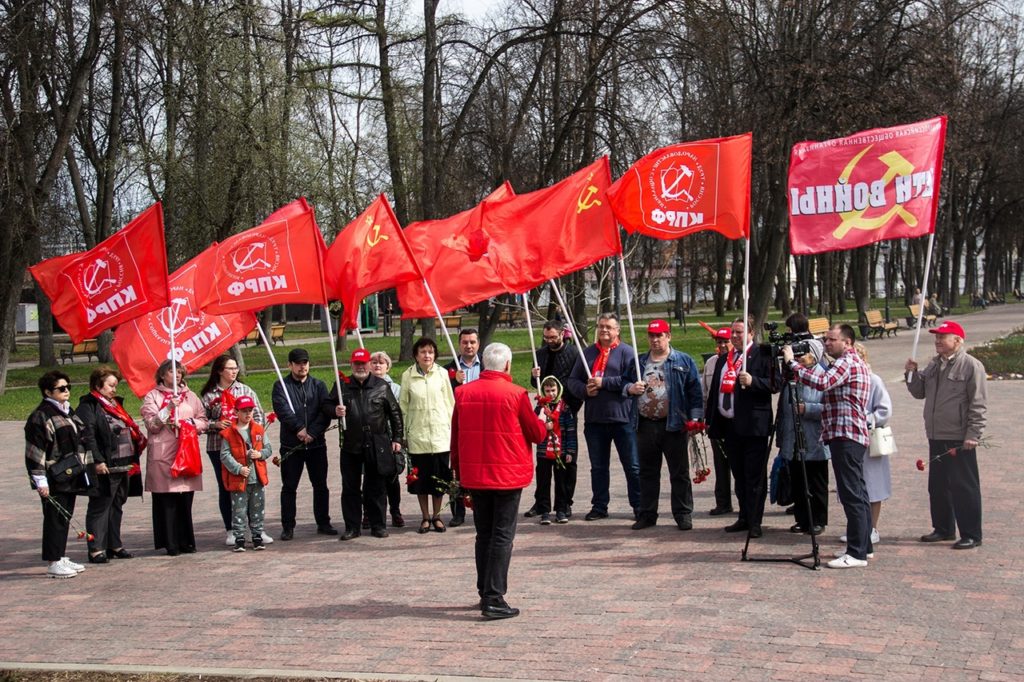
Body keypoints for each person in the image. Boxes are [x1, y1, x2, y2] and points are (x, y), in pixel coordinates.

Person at [450, 342, 548, 619]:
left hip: (476, 474)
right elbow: (536, 434)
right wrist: (542, 419)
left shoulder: (463, 392)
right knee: (502, 535)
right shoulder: (516, 394)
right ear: (506, 365)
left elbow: (455, 435)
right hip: (506, 475)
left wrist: (457, 469)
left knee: (485, 534)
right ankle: (493, 596)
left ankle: (485, 591)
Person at [783, 324, 872, 569]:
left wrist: (793, 364)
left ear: (848, 342)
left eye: (833, 339)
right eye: (826, 339)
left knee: (851, 494)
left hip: (847, 435)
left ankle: (857, 553)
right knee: (858, 493)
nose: (827, 343)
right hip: (846, 435)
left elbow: (821, 382)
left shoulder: (847, 362)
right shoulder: (847, 362)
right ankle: (864, 545)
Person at [905, 320, 987, 549]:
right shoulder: (934, 364)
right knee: (938, 485)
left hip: (959, 437)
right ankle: (943, 528)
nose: (938, 341)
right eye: (937, 337)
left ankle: (971, 533)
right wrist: (911, 374)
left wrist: (974, 433)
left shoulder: (971, 366)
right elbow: (919, 392)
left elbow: (978, 403)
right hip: (936, 433)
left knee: (964, 486)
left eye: (943, 336)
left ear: (958, 340)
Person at [626, 319, 703, 531]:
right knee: (647, 472)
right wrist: (631, 388)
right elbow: (623, 384)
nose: (655, 339)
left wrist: (695, 419)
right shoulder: (638, 362)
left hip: (674, 425)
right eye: (651, 335)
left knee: (679, 472)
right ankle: (647, 514)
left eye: (659, 335)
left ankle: (683, 513)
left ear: (668, 336)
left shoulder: (683, 361)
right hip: (646, 424)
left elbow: (695, 391)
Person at [705, 317, 778, 538]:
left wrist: (754, 381)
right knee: (738, 474)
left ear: (751, 333)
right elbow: (714, 391)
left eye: (739, 332)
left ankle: (755, 521)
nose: (735, 336)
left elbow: (776, 383)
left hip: (753, 426)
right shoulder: (723, 359)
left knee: (754, 476)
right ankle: (744, 516)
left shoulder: (761, 354)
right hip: (729, 426)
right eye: (733, 333)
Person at [567, 312, 641, 521]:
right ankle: (599, 505)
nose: (604, 330)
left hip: (623, 419)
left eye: (609, 327)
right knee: (598, 467)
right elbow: (572, 380)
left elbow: (633, 380)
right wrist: (584, 390)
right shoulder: (587, 354)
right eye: (601, 326)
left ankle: (638, 505)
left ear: (618, 330)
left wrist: (604, 383)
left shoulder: (628, 352)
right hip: (594, 420)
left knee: (632, 466)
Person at [324, 348, 404, 540]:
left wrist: (397, 439)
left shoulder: (381, 385)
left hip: (377, 442)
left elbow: (395, 414)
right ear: (351, 365)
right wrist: (335, 410)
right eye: (356, 364)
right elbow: (325, 406)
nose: (360, 367)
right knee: (350, 487)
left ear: (368, 364)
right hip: (351, 443)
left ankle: (378, 525)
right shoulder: (342, 385)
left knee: (376, 486)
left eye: (363, 363)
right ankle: (352, 527)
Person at [24, 371, 93, 578]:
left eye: (68, 387)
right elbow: (35, 450)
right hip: (53, 473)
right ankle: (53, 561)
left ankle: (61, 555)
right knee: (54, 517)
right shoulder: (41, 415)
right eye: (61, 388)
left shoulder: (66, 410)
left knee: (65, 514)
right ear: (47, 391)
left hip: (70, 470)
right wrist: (39, 480)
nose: (66, 391)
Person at [200, 354, 270, 547]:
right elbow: (200, 421)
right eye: (230, 368)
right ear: (219, 371)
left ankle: (256, 529)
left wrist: (255, 435)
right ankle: (232, 530)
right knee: (228, 486)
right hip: (219, 447)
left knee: (252, 485)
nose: (234, 371)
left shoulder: (245, 390)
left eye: (235, 368)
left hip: (247, 447)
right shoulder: (209, 395)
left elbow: (259, 415)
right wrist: (215, 424)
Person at [141, 360, 209, 556]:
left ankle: (186, 540)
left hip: (186, 451)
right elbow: (152, 424)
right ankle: (170, 542)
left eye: (180, 372)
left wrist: (188, 423)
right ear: (162, 375)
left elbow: (203, 420)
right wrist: (168, 409)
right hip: (164, 453)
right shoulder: (152, 396)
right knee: (167, 499)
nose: (177, 375)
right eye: (172, 372)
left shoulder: (191, 396)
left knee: (186, 498)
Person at [78, 367, 146, 564]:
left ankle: (114, 544)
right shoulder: (89, 405)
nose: (114, 389)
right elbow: (87, 436)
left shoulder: (115, 404)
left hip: (124, 462)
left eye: (116, 385)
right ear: (98, 385)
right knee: (100, 506)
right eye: (110, 385)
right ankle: (96, 548)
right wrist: (97, 460)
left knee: (117, 504)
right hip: (105, 463)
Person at [271, 347, 336, 540]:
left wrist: (313, 432)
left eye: (305, 362)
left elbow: (325, 411)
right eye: (298, 363)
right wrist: (299, 428)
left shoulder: (318, 385)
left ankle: (323, 522)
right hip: (292, 445)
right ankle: (288, 525)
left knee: (320, 485)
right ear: (290, 365)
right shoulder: (280, 386)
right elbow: (282, 410)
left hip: (316, 445)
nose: (302, 366)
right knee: (289, 486)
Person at [776, 318, 829, 537]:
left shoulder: (822, 375)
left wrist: (806, 408)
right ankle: (802, 518)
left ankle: (818, 519)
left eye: (805, 355)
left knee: (815, 481)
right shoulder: (793, 374)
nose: (801, 358)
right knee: (797, 479)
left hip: (814, 437)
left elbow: (828, 407)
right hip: (793, 436)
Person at [400, 336, 456, 534]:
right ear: (416, 355)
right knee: (421, 481)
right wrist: (403, 434)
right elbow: (403, 406)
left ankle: (437, 516)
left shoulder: (442, 374)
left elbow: (450, 403)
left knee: (439, 480)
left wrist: (452, 429)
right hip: (418, 436)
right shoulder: (407, 375)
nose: (427, 355)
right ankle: (425, 517)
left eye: (431, 352)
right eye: (423, 352)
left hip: (441, 436)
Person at [527, 320, 581, 521]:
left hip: (566, 410)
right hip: (545, 410)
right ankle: (541, 503)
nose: (549, 340)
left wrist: (572, 404)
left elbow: (578, 379)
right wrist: (534, 377)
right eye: (546, 337)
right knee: (543, 463)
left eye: (553, 337)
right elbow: (538, 383)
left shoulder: (573, 353)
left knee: (567, 460)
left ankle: (565, 502)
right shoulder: (540, 354)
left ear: (562, 334)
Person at [219, 396, 272, 552]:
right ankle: (239, 537)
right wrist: (238, 468)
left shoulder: (259, 430)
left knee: (258, 507)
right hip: (239, 480)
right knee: (239, 509)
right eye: (244, 411)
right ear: (236, 412)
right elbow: (225, 455)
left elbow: (268, 449)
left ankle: (257, 535)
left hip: (257, 479)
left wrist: (259, 454)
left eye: (250, 410)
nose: (248, 414)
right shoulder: (229, 433)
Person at [851, 342, 891, 547]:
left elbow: (884, 410)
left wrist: (864, 418)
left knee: (873, 485)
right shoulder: (847, 378)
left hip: (870, 438)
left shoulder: (873, 380)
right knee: (854, 485)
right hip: (851, 437)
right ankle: (858, 527)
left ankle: (872, 528)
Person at [444, 328, 482, 526]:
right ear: (459, 344)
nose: (469, 346)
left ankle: (480, 508)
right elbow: (443, 396)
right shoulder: (448, 369)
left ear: (478, 344)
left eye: (472, 342)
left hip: (482, 425)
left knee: (479, 468)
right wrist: (453, 381)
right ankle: (458, 512)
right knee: (457, 469)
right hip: (458, 425)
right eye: (465, 342)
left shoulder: (486, 366)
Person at [532, 376, 578, 524]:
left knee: (561, 482)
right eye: (547, 391)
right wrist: (542, 425)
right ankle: (544, 510)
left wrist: (570, 451)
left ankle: (561, 509)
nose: (550, 394)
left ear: (558, 390)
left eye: (553, 390)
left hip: (561, 450)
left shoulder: (565, 407)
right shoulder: (540, 407)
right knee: (543, 481)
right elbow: (534, 426)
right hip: (544, 451)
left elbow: (571, 431)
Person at [701, 327, 735, 516]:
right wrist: (705, 418)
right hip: (716, 420)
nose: (722, 345)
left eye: (725, 341)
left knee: (738, 463)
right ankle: (723, 502)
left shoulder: (740, 362)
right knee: (720, 464)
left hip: (735, 421)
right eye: (719, 342)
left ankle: (745, 502)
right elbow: (705, 393)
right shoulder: (711, 363)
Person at [369, 350, 405, 527]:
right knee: (369, 479)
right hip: (371, 439)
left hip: (390, 438)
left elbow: (398, 414)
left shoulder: (396, 388)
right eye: (374, 362)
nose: (377, 365)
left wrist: (397, 437)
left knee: (392, 478)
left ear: (387, 366)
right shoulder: (365, 386)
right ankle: (368, 512)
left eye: (381, 363)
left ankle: (395, 511)